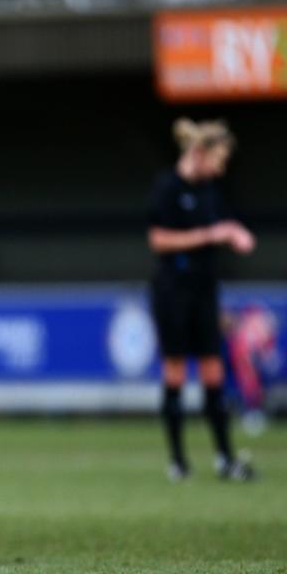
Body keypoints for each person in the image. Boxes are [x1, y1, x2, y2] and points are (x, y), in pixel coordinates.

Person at [148, 117, 256, 482]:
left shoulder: (211, 191)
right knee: (175, 371)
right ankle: (178, 461)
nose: (221, 168)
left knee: (214, 371)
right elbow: (159, 239)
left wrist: (233, 233)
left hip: (205, 291)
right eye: (218, 159)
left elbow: (220, 231)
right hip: (172, 291)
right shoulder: (167, 187)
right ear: (199, 153)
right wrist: (214, 233)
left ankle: (225, 459)